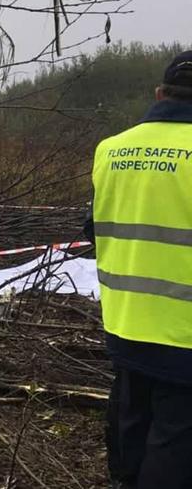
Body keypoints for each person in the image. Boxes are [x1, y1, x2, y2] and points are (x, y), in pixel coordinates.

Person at [89, 51, 192, 489]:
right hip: (184, 332)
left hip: (125, 319)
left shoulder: (110, 150)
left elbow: (93, 227)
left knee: (131, 415)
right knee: (176, 440)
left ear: (159, 93)